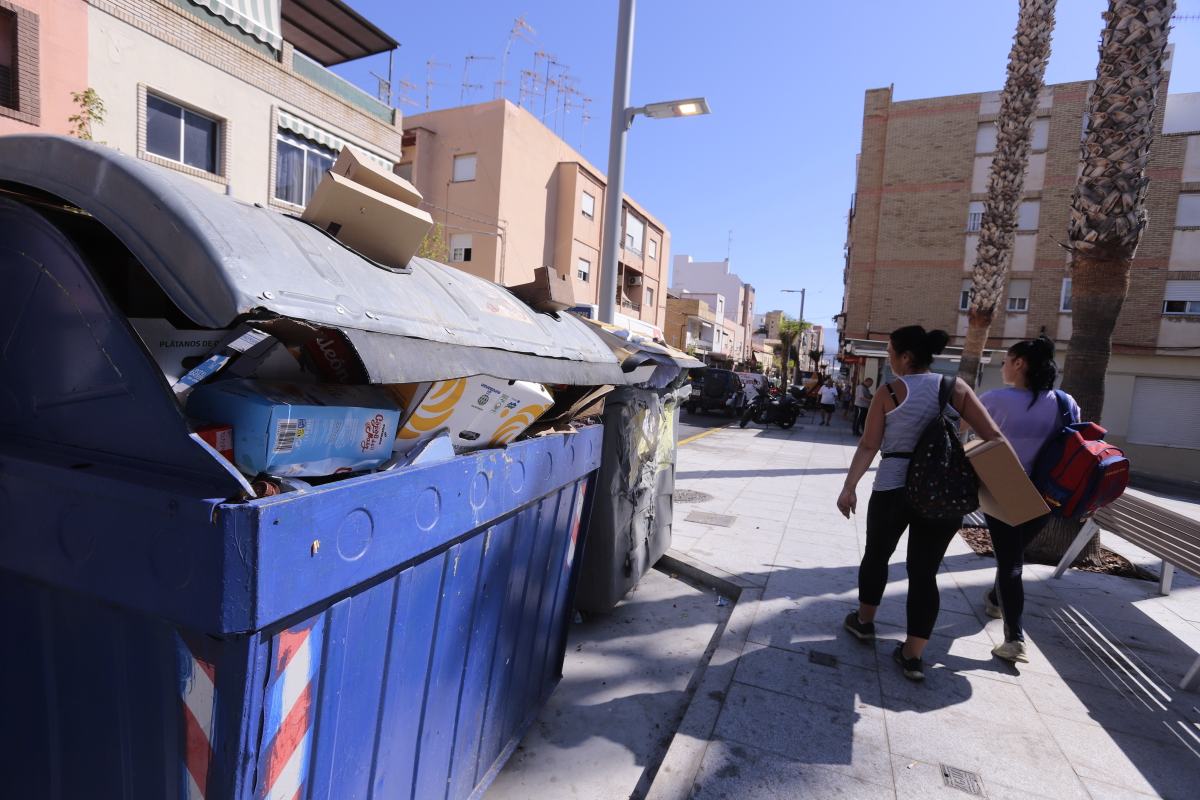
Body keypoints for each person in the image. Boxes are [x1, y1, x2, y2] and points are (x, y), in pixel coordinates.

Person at [837, 325, 1002, 681]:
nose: (890, 358)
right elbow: (994, 437)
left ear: (906, 357)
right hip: (943, 492)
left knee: (877, 555)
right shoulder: (955, 388)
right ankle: (912, 655)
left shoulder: (889, 392)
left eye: (891, 352)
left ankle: (864, 622)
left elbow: (869, 445)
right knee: (924, 573)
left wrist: (849, 486)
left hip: (893, 488)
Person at [978, 336, 1079, 664]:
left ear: (1020, 363)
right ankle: (995, 600)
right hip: (1051, 492)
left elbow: (960, 428)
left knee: (1010, 563)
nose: (1004, 365)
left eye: (1007, 359)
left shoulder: (995, 400)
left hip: (1005, 485)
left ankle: (1015, 639)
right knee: (1014, 550)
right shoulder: (1066, 402)